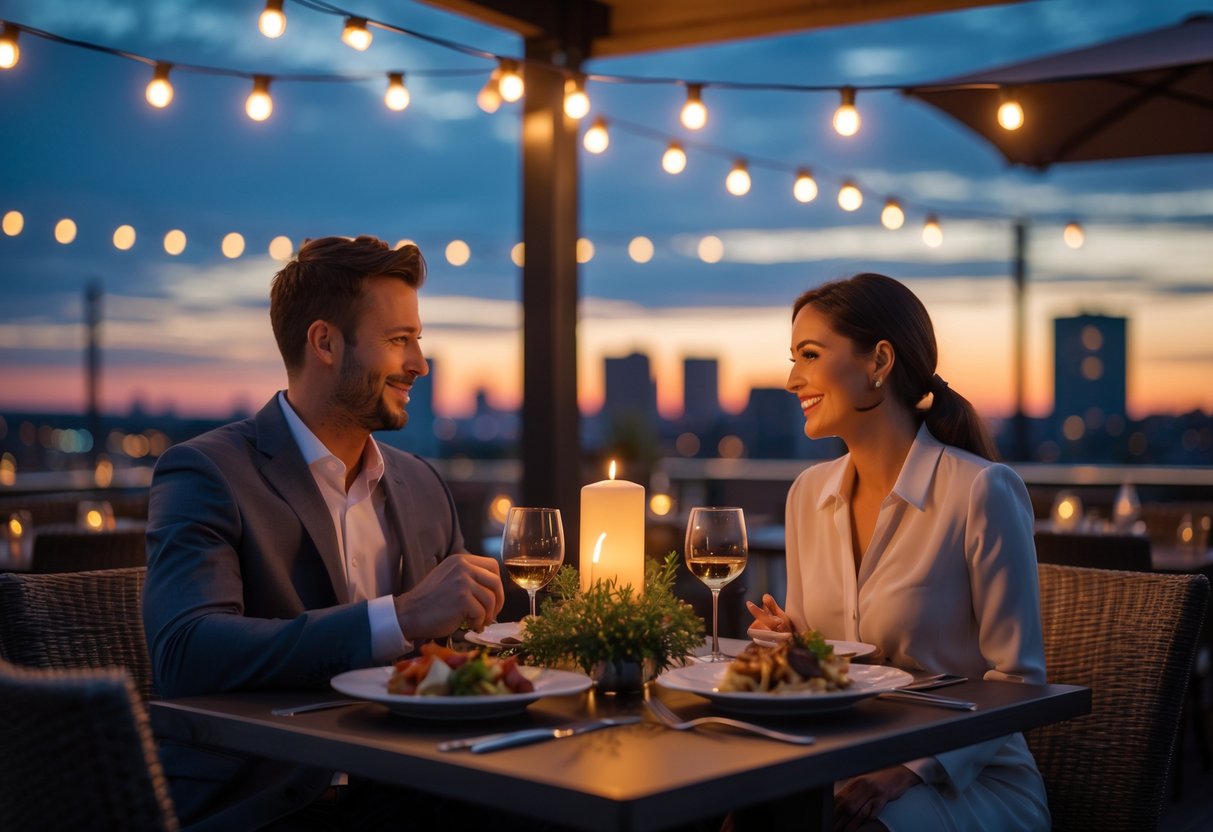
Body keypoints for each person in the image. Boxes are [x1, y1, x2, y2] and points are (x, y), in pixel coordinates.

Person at [143, 235, 506, 830]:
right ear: (325, 343)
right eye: (399, 341)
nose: (420, 362)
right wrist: (402, 617)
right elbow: (186, 651)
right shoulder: (206, 472)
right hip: (277, 799)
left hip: (420, 779)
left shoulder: (422, 485)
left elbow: (463, 645)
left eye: (418, 339)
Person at [747, 273, 1048, 832]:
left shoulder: (981, 491)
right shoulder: (807, 495)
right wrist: (795, 651)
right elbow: (830, 666)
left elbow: (1019, 682)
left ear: (878, 362)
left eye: (810, 355)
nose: (792, 379)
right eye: (793, 358)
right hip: (843, 761)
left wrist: (904, 771)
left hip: (969, 781)